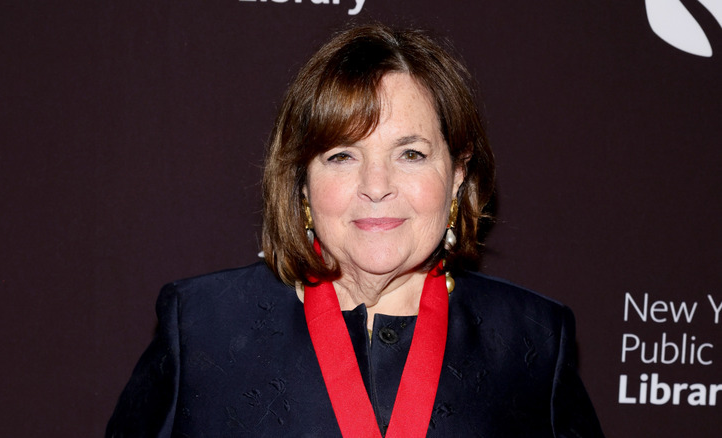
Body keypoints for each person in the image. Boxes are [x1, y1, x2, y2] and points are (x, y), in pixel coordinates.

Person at [106, 23, 604, 437]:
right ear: (301, 179)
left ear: (457, 175)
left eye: (411, 154)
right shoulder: (201, 328)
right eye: (343, 155)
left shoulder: (532, 340)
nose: (376, 186)